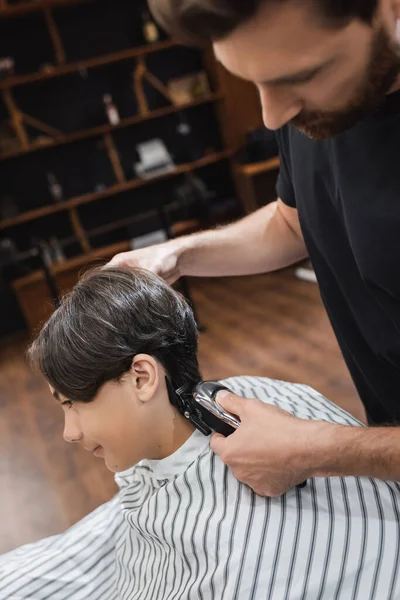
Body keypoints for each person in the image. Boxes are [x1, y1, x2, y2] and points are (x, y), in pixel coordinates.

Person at [108, 0, 400, 497]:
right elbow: (298, 220)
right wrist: (183, 254)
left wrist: (316, 449)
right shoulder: (307, 102)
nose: (271, 115)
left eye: (299, 76)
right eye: (250, 80)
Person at [2, 265, 400, 600]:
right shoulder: (255, 390)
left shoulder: (223, 561)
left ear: (142, 378)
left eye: (72, 403)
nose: (68, 433)